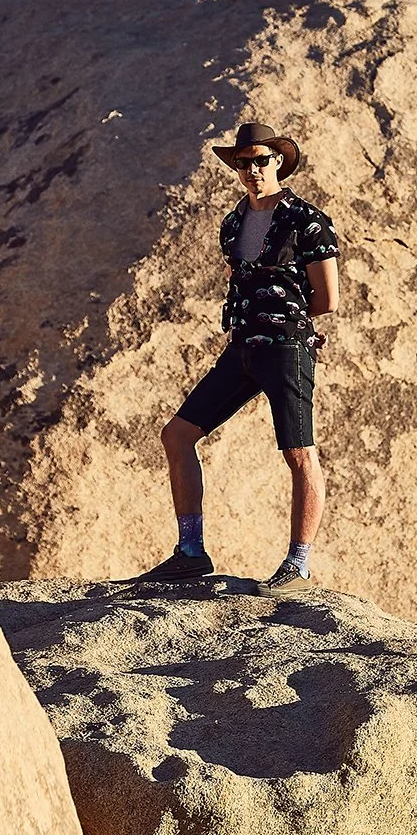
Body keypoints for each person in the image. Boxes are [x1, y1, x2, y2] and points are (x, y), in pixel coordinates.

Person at [136, 120, 341, 593]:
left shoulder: (306, 220)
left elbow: (328, 299)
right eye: (243, 163)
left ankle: (299, 564)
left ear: (278, 163)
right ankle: (190, 552)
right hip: (243, 348)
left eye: (261, 161)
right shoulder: (233, 222)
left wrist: (287, 321)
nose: (252, 170)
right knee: (177, 435)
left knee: (298, 453)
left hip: (286, 348)